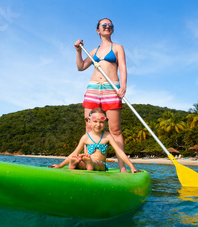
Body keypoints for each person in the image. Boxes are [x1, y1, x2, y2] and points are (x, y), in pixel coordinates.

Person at [74, 18, 128, 171]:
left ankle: (122, 167)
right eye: (104, 25)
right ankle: (87, 163)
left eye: (110, 25)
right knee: (89, 128)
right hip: (92, 89)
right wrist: (78, 51)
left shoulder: (118, 47)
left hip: (111, 89)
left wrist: (123, 86)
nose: (107, 27)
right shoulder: (93, 51)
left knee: (115, 130)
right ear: (98, 30)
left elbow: (122, 68)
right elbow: (80, 67)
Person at [49, 108, 140, 173]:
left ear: (105, 122)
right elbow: (75, 152)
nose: (98, 124)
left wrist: (132, 167)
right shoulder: (85, 137)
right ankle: (74, 164)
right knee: (79, 162)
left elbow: (119, 152)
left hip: (101, 165)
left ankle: (89, 164)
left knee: (95, 163)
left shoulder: (107, 136)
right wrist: (60, 165)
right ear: (89, 121)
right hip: (87, 162)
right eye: (95, 121)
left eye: (101, 122)